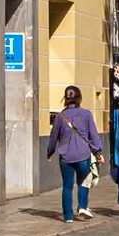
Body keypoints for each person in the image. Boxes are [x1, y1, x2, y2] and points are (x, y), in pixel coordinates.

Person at [48, 87, 101, 221]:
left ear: (65, 99)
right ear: (79, 98)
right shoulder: (86, 114)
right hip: (83, 154)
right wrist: (98, 151)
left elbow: (53, 137)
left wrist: (50, 152)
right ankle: (82, 206)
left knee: (67, 186)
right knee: (83, 181)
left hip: (65, 156)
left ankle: (68, 216)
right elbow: (93, 135)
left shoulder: (61, 116)